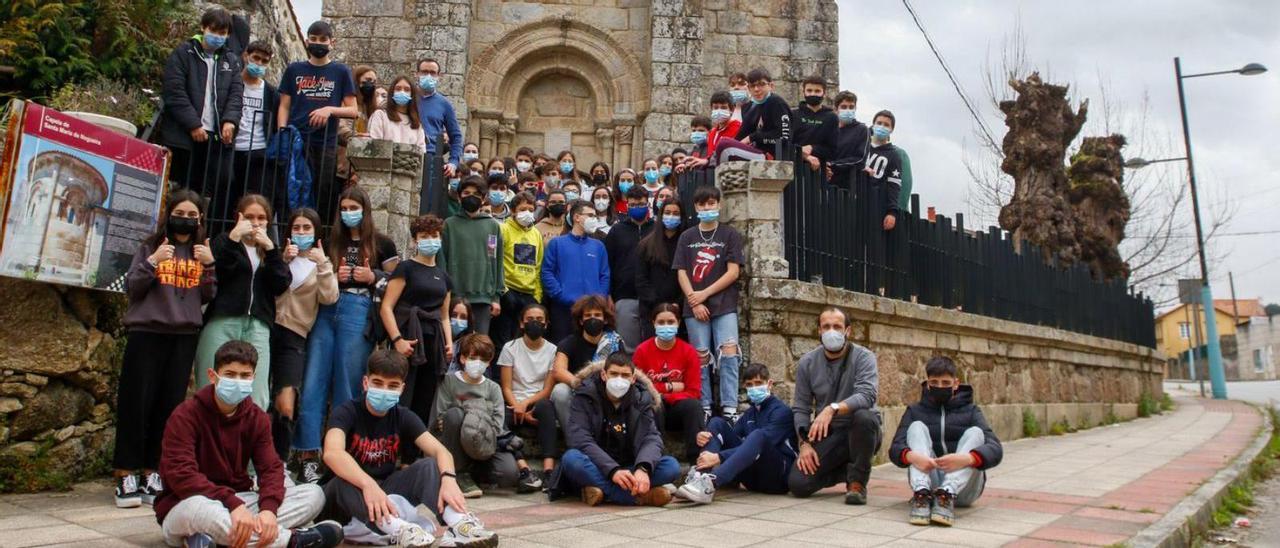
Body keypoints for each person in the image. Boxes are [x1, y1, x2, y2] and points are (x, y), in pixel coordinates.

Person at [156, 341, 344, 548]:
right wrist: (232, 504)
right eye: (230, 374)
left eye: (244, 376)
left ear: (253, 378)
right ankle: (293, 540)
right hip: (186, 504)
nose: (237, 381)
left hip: (239, 502)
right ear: (212, 376)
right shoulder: (185, 415)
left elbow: (270, 468)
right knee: (199, 509)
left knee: (313, 495)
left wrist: (268, 510)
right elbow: (181, 476)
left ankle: (216, 539)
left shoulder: (256, 417)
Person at [320, 349, 499, 547]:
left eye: (393, 386)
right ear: (365, 383)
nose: (385, 390)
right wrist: (367, 484)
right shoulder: (346, 412)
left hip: (384, 495)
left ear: (402, 389)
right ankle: (399, 530)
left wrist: (449, 479)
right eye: (378, 383)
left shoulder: (403, 416)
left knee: (429, 466)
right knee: (342, 480)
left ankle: (459, 524)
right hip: (341, 504)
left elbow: (441, 451)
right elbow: (332, 453)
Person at [113, 190, 217, 509]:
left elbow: (207, 295)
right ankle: (125, 472)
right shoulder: (150, 246)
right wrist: (153, 262)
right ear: (169, 213)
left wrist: (209, 265)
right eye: (179, 212)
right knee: (136, 403)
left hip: (183, 335)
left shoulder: (201, 251)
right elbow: (133, 286)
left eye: (192, 214)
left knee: (169, 406)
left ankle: (152, 470)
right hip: (147, 331)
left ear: (200, 219)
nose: (185, 219)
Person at [295, 185, 400, 483]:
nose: (349, 213)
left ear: (365, 210)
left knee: (348, 386)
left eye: (354, 207)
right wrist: (332, 275)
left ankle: (343, 457)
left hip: (359, 310)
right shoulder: (331, 241)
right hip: (327, 308)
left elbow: (399, 282)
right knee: (314, 382)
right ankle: (307, 455)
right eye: (344, 208)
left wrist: (374, 276)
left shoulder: (383, 244)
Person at [194, 195, 291, 410]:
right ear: (239, 217)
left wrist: (272, 251)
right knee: (209, 382)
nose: (255, 223)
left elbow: (282, 283)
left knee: (257, 390)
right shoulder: (224, 241)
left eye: (261, 218)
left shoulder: (269, 249)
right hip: (223, 318)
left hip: (257, 324)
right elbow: (221, 272)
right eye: (249, 217)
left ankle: (250, 437)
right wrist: (234, 237)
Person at [546, 352, 678, 507]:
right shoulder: (585, 395)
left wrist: (643, 468)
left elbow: (651, 437)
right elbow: (580, 439)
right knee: (571, 459)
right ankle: (639, 497)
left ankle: (602, 492)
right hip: (597, 465)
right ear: (603, 374)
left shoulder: (642, 399)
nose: (619, 380)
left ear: (633, 378)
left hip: (630, 465)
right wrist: (613, 471)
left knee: (671, 466)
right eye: (614, 374)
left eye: (625, 375)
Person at [889, 356, 1003, 527]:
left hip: (964, 489)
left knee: (976, 433)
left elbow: (996, 449)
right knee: (916, 427)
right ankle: (921, 495)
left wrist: (968, 459)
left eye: (945, 382)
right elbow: (895, 449)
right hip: (930, 482)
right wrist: (912, 457)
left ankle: (947, 494)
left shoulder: (972, 411)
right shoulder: (914, 411)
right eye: (934, 382)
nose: (940, 387)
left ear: (956, 384)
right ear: (927, 383)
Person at [789, 307, 882, 504]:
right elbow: (801, 407)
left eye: (837, 326)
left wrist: (832, 409)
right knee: (798, 484)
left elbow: (867, 395)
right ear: (819, 331)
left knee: (864, 417)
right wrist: (804, 444)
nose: (832, 331)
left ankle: (857, 482)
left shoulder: (864, 357)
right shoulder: (807, 362)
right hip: (831, 434)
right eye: (826, 326)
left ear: (848, 331)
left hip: (861, 430)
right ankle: (847, 473)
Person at [435, 335, 542, 497]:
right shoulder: (449, 382)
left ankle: (475, 473)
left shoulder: (493, 388)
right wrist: (477, 414)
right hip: (453, 442)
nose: (477, 362)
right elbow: (441, 419)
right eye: (472, 357)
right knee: (454, 415)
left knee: (508, 474)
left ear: (489, 362)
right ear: (463, 358)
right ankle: (458, 472)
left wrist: (474, 421)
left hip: (484, 441)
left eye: (483, 359)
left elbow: (497, 426)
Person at [270, 208, 339, 461]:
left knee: (286, 402)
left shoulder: (322, 262)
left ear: (316, 232)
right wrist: (282, 261)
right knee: (260, 397)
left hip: (295, 335)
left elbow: (329, 297)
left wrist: (322, 265)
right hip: (268, 328)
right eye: (296, 228)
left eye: (306, 228)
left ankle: (279, 460)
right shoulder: (278, 256)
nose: (301, 233)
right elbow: (268, 286)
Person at [673, 186, 744, 420]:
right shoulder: (687, 236)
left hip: (724, 305)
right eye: (702, 205)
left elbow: (733, 272)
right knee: (700, 356)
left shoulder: (729, 235)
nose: (707, 208)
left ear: (719, 205)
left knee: (729, 354)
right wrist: (694, 300)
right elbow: (681, 271)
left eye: (711, 203)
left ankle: (729, 407)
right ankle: (704, 405)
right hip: (694, 307)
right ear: (696, 207)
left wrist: (704, 294)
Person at [678, 363, 797, 503]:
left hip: (777, 478)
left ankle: (710, 484)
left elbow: (763, 443)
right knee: (717, 423)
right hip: (753, 480)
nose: (754, 388)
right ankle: (700, 477)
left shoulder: (782, 412)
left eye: (758, 383)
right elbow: (730, 440)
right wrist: (705, 436)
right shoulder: (750, 414)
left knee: (758, 435)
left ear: (769, 384)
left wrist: (719, 457)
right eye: (749, 385)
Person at [277, 20, 359, 222]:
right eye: (313, 39)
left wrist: (329, 109)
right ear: (306, 40)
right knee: (292, 192)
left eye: (323, 39)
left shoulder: (340, 72)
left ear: (332, 42)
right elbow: (284, 106)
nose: (318, 43)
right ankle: (290, 237)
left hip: (326, 143)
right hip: (296, 140)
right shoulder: (294, 69)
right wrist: (283, 133)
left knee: (322, 195)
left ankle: (316, 241)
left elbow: (353, 110)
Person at [158, 8, 243, 196]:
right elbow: (174, 92)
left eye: (222, 33)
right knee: (178, 189)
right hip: (183, 136)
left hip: (216, 140)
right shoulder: (183, 53)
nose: (217, 36)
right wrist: (193, 124)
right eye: (213, 31)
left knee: (212, 189)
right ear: (203, 28)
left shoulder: (231, 60)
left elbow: (236, 94)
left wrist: (230, 120)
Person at [380, 214, 454, 426]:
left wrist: (448, 343)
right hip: (408, 336)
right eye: (424, 236)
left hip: (433, 340)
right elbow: (387, 307)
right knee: (402, 393)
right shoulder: (405, 268)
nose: (430, 239)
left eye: (434, 235)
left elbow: (444, 315)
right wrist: (397, 340)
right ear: (415, 240)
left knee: (425, 395)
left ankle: (411, 454)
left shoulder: (444, 276)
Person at [632, 304, 702, 463]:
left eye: (671, 322)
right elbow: (639, 388)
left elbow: (694, 391)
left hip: (678, 408)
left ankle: (697, 463)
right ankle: (657, 459)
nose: (666, 326)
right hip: (654, 407)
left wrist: (664, 395)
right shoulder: (642, 351)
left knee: (694, 406)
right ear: (653, 323)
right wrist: (669, 388)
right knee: (654, 403)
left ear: (678, 323)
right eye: (661, 322)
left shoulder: (688, 351)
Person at [498, 304, 559, 482]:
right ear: (522, 323)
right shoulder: (510, 348)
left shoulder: (553, 350)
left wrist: (525, 406)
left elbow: (547, 390)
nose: (535, 323)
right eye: (530, 320)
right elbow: (506, 387)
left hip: (538, 400)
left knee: (547, 407)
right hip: (513, 401)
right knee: (499, 417)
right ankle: (523, 468)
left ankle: (549, 470)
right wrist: (519, 408)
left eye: (540, 320)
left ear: (546, 324)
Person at [548, 295, 624, 439]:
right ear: (581, 320)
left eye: (597, 315)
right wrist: (580, 385)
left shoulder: (615, 342)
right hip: (577, 392)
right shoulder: (569, 342)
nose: (592, 319)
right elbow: (558, 371)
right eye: (588, 315)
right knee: (560, 391)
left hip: (606, 393)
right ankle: (575, 440)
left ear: (605, 319)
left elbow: (622, 370)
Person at [440, 176, 504, 336]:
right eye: (466, 193)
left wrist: (496, 297)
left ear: (483, 198)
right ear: (460, 196)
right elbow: (442, 260)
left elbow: (495, 259)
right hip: (455, 296)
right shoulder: (449, 224)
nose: (471, 197)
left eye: (476, 194)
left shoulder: (492, 226)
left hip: (483, 297)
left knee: (478, 345)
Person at [227, 40, 282, 222]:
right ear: (246, 56)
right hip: (231, 150)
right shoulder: (231, 84)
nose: (258, 64)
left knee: (255, 203)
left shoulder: (272, 93)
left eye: (264, 61)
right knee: (227, 202)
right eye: (255, 58)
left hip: (258, 152)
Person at [540, 201, 610, 342]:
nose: (594, 219)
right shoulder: (557, 243)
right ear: (577, 217)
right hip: (563, 309)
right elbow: (547, 272)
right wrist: (561, 295)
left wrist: (599, 300)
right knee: (562, 347)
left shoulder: (598, 246)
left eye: (595, 216)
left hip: (592, 312)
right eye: (590, 215)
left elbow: (605, 275)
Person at [604, 186, 654, 350]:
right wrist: (609, 294)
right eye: (632, 205)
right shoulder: (617, 230)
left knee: (652, 346)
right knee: (627, 348)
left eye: (641, 204)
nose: (637, 208)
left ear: (648, 204)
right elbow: (608, 264)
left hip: (653, 297)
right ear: (627, 205)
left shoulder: (657, 229)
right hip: (624, 296)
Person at [494, 192, 544, 345]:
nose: (527, 213)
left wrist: (537, 295)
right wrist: (503, 290)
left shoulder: (536, 234)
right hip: (508, 292)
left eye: (530, 209)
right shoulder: (502, 229)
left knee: (522, 342)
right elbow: (496, 261)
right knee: (503, 340)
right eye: (523, 209)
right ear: (514, 210)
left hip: (529, 295)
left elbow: (538, 266)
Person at [634, 199, 685, 341]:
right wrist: (659, 305)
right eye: (667, 213)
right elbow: (641, 280)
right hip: (651, 310)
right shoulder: (646, 245)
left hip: (680, 310)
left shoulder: (687, 243)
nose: (671, 216)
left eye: (676, 213)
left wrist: (678, 304)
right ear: (661, 215)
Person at [415, 58, 464, 180]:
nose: (428, 76)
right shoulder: (408, 99)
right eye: (424, 72)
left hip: (432, 158)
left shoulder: (444, 104)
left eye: (433, 73)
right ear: (417, 74)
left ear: (439, 76)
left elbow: (456, 136)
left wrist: (453, 162)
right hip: (409, 154)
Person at [864, 110, 913, 228]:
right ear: (873, 124)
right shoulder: (861, 146)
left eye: (886, 125)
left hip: (878, 208)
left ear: (891, 129)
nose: (882, 127)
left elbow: (896, 185)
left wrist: (893, 212)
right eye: (879, 123)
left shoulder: (897, 154)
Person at [736, 68, 792, 155]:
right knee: (724, 143)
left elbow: (783, 137)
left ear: (771, 86)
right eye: (752, 86)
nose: (756, 89)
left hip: (776, 156)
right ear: (748, 88)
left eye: (761, 84)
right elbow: (741, 136)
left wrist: (753, 137)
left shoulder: (777, 103)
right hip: (755, 153)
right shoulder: (749, 107)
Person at [367, 76, 427, 151]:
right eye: (398, 89)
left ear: (412, 95)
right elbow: (375, 144)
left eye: (407, 89)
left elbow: (421, 151)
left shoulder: (416, 123)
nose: (402, 92)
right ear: (392, 92)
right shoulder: (380, 115)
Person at [793, 75, 838, 172]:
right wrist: (804, 155)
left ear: (824, 94)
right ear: (803, 92)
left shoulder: (832, 118)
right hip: (794, 167)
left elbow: (832, 150)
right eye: (809, 91)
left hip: (819, 171)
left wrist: (812, 148)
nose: (813, 94)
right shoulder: (793, 115)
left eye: (817, 91)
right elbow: (786, 143)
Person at [827, 90, 869, 190]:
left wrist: (832, 165)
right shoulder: (828, 129)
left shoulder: (862, 129)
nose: (848, 110)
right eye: (844, 107)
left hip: (850, 187)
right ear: (836, 109)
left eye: (851, 107)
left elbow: (860, 159)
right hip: (826, 184)